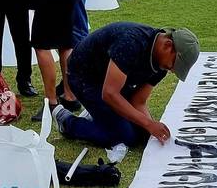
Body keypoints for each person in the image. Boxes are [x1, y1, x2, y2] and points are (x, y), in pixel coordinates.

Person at [56, 22, 200, 164]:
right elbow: (110, 94)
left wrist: (148, 127)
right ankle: (68, 122)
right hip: (83, 75)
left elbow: (138, 101)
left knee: (142, 134)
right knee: (124, 136)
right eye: (175, 63)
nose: (173, 70)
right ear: (167, 45)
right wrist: (149, 123)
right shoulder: (132, 42)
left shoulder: (161, 66)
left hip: (113, 80)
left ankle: (99, 114)